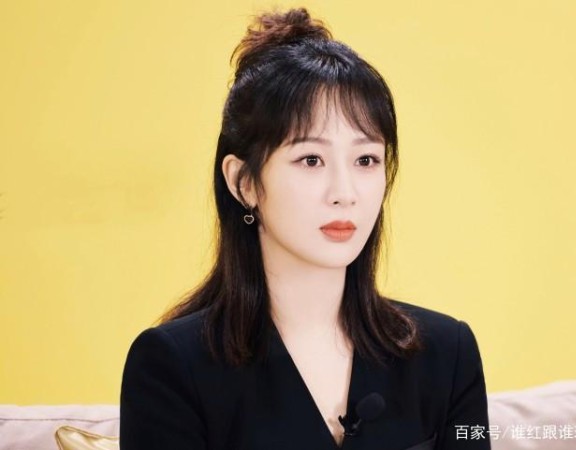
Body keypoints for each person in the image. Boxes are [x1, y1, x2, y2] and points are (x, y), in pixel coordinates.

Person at [120, 7, 490, 450]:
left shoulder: (447, 354)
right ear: (243, 182)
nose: (344, 193)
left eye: (366, 160)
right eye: (311, 160)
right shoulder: (173, 365)